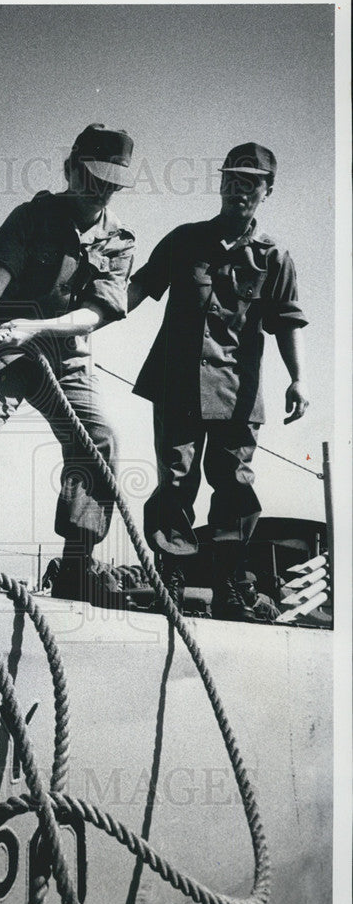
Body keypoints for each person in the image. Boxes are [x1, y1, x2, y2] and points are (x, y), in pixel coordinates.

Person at [0, 124, 136, 604]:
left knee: (98, 439)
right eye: (92, 178)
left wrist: (39, 328)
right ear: (72, 169)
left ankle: (77, 566)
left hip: (64, 351)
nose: (100, 191)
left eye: (111, 183)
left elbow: (95, 314)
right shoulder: (31, 217)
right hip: (2, 343)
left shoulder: (120, 240)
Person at [127, 143, 309, 622]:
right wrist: (87, 320)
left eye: (250, 182)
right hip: (177, 386)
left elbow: (287, 322)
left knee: (234, 486)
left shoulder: (275, 257)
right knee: (176, 480)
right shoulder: (185, 240)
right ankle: (172, 576)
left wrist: (298, 379)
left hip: (237, 392)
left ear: (267, 190)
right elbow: (139, 287)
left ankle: (231, 585)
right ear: (220, 183)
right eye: (231, 179)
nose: (238, 190)